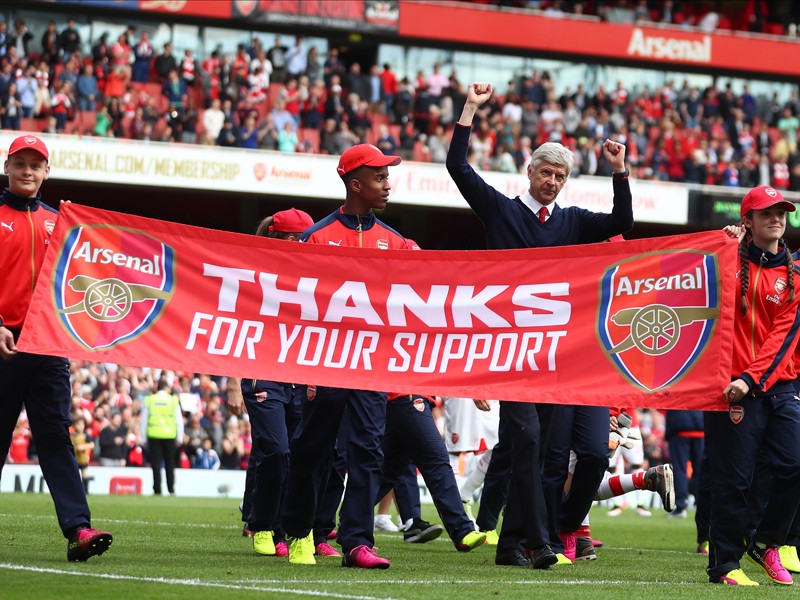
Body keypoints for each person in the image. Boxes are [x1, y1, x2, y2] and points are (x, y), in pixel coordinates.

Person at [446, 82, 633, 569]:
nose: (552, 181)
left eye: (560, 175)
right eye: (546, 172)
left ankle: (513, 544)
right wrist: (469, 110)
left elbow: (623, 220)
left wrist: (619, 170)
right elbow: (457, 168)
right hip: (510, 348)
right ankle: (540, 541)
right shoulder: (501, 210)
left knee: (540, 448)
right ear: (529, 172)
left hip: (556, 353)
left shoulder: (572, 221)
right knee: (526, 438)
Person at [283, 144, 410, 570]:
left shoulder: (396, 242)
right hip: (324, 364)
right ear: (355, 184)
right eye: (379, 177)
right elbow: (294, 304)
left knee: (368, 451)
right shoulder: (316, 238)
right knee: (313, 450)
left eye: (387, 177)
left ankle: (357, 543)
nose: (387, 185)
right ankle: (301, 533)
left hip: (372, 366)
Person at [0, 135, 112, 561]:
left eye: (36, 165)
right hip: (3, 342)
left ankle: (79, 530)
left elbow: (77, 281)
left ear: (47, 172)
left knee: (55, 436)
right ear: (7, 167)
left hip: (47, 345)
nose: (27, 171)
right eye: (20, 163)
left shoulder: (59, 222)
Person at [706, 186, 800, 586]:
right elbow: (690, 282)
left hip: (775, 385)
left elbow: (783, 339)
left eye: (781, 212)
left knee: (795, 464)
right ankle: (724, 565)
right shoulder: (724, 260)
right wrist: (720, 244)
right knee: (734, 481)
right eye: (765, 213)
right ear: (747, 220)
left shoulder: (796, 277)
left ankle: (765, 542)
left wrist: (751, 378)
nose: (776, 218)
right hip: (729, 387)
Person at [140, 378, 183, 496]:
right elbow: (179, 420)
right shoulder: (173, 400)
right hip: (169, 435)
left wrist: (143, 437)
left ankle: (157, 489)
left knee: (156, 463)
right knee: (170, 463)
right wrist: (179, 437)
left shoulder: (150, 400)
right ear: (167, 388)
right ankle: (171, 489)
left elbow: (143, 420)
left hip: (154, 435)